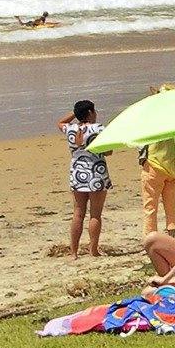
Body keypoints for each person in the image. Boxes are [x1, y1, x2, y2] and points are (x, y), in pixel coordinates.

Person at [59, 100, 109, 258]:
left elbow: (60, 122)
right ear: (89, 113)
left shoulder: (70, 129)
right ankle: (93, 249)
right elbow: (108, 152)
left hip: (77, 173)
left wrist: (76, 113)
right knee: (95, 214)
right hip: (96, 172)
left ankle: (74, 251)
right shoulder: (99, 129)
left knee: (78, 213)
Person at [139, 123, 175, 241]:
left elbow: (140, 142)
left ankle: (150, 238)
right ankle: (172, 235)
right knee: (171, 205)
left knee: (150, 206)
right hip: (173, 168)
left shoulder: (154, 125)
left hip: (153, 166)